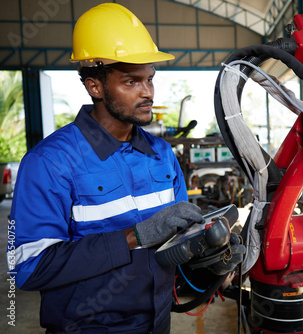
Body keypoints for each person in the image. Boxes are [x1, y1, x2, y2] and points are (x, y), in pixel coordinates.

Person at [9, 3, 243, 333]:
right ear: (95, 86)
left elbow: (173, 248)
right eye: (131, 82)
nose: (147, 92)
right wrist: (133, 237)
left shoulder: (162, 155)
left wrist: (213, 262)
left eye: (150, 79)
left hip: (158, 323)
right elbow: (29, 268)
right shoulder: (50, 163)